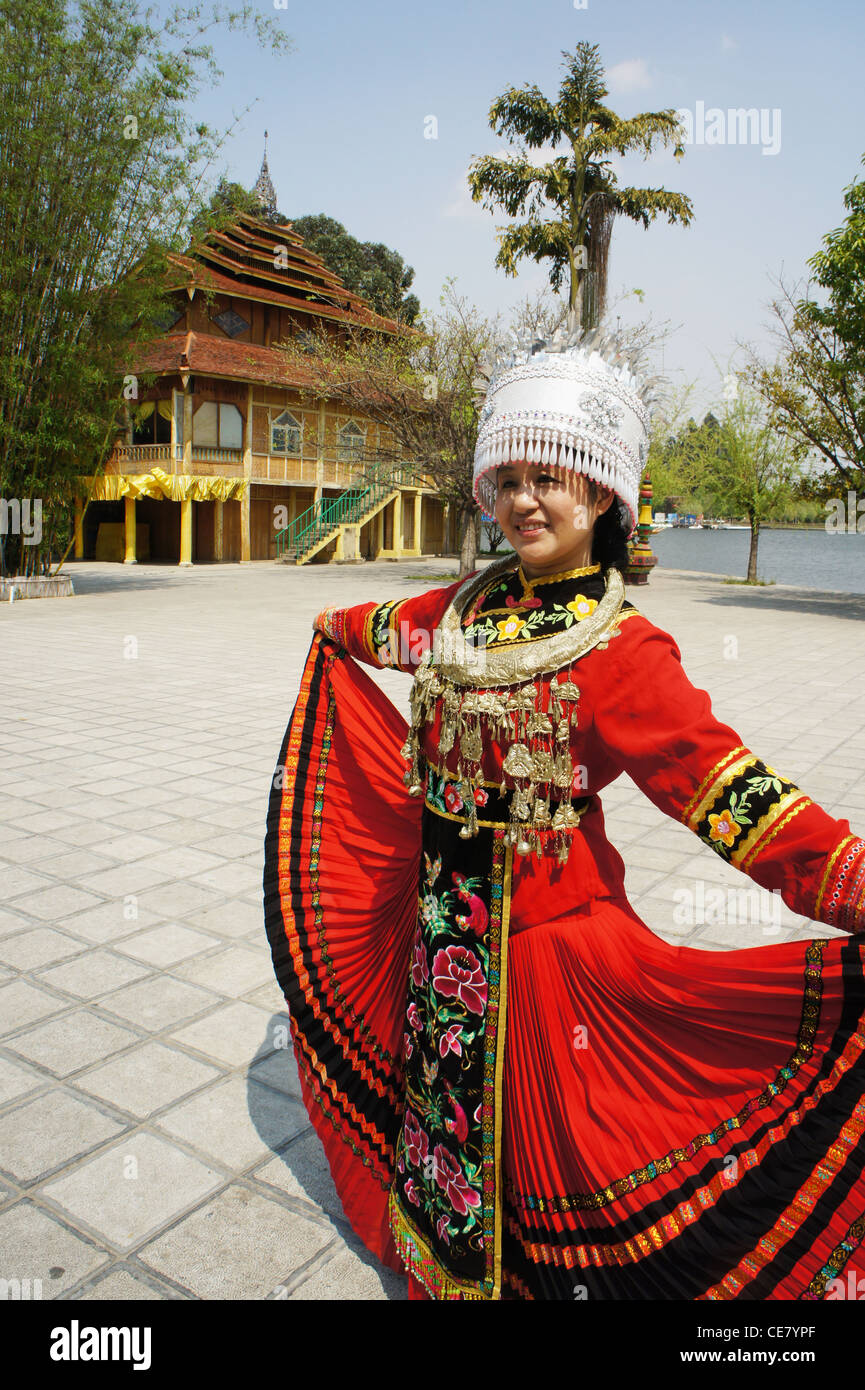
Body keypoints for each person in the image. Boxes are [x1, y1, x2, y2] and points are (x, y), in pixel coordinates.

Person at [262, 327, 865, 1301]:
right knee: (454, 1135)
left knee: (566, 1163)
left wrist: (850, 880)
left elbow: (735, 797)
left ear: (601, 493)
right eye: (507, 478)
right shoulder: (465, 603)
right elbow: (369, 628)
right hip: (440, 936)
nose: (523, 501)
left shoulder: (621, 649)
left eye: (551, 477)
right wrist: (328, 635)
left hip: (549, 949)